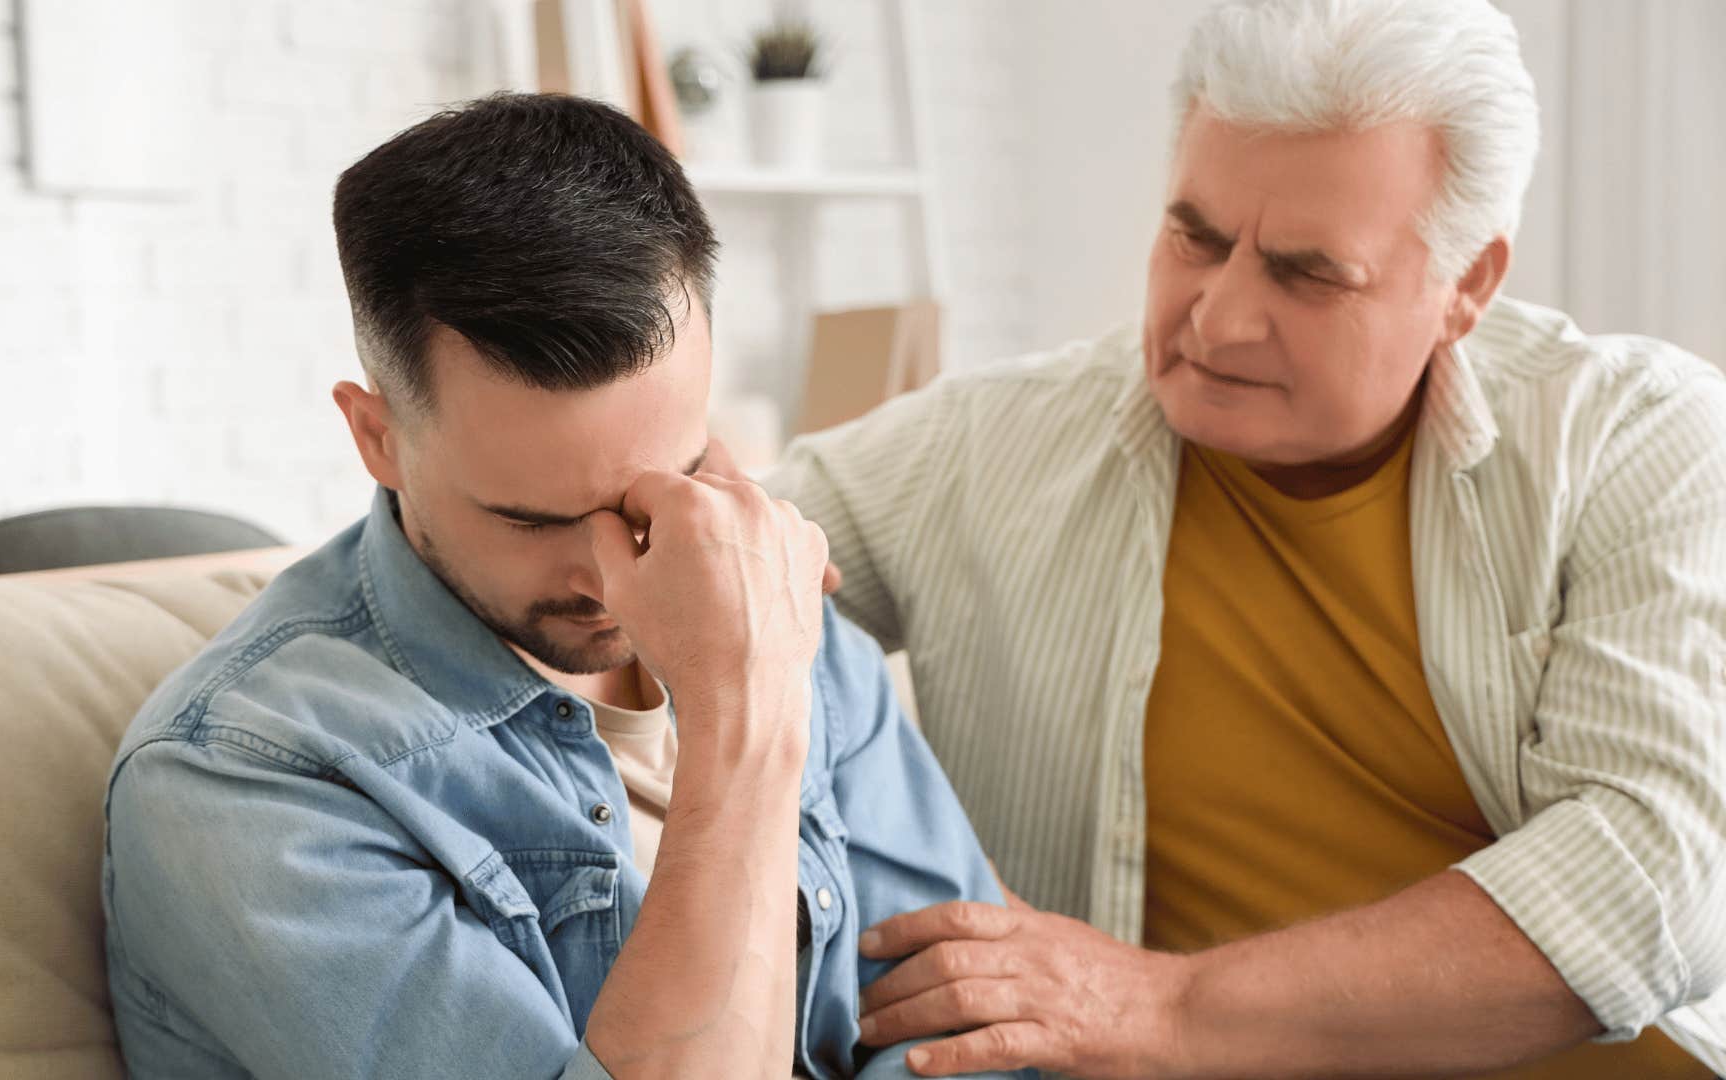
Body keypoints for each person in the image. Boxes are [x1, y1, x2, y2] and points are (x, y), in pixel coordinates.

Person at [766, 0, 1726, 1076]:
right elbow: (711, 573)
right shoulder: (985, 446)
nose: (1218, 318)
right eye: (1197, 237)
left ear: (1467, 287)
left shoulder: (1640, 440)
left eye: (1308, 273)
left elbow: (1658, 876)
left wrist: (1160, 1007)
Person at [101, 93, 1026, 1080]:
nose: (612, 576)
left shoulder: (781, 611)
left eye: (657, 487)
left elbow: (971, 1037)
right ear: (377, 436)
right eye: (531, 520)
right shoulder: (245, 782)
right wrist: (743, 720)